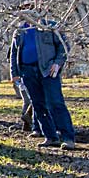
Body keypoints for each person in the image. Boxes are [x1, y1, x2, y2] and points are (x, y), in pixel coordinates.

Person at [10, 19, 75, 149]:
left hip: (47, 70)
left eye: (30, 8)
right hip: (27, 71)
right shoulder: (19, 30)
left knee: (55, 103)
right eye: (23, 9)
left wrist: (57, 63)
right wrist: (14, 73)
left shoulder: (49, 25)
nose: (27, 12)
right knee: (38, 104)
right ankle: (50, 137)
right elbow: (14, 52)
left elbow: (63, 46)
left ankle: (68, 138)